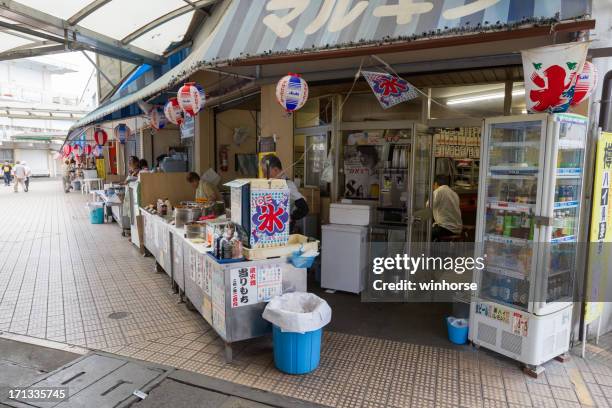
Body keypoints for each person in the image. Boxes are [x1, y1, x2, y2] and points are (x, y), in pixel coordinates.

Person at [260, 154, 309, 230]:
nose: (264, 175)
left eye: (266, 172)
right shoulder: (272, 184)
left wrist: (291, 217)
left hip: (283, 229)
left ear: (276, 170)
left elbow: (304, 208)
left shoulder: (288, 185)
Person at [431, 175, 463, 241]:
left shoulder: (438, 191)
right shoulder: (454, 193)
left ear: (436, 183)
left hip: (446, 228)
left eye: (433, 185)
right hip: (457, 228)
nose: (432, 187)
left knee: (427, 234)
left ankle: (430, 251)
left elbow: (429, 205)